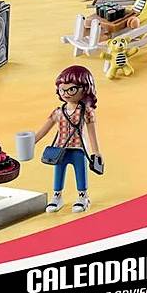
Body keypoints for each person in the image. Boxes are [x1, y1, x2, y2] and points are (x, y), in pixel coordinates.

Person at [34, 65, 102, 213]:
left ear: (85, 89)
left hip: (79, 148)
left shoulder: (86, 111)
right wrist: (32, 141)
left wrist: (96, 152)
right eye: (62, 90)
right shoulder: (58, 112)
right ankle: (57, 196)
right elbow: (45, 128)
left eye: (71, 89)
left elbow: (92, 132)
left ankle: (83, 196)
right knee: (58, 172)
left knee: (80, 172)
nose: (65, 93)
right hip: (61, 149)